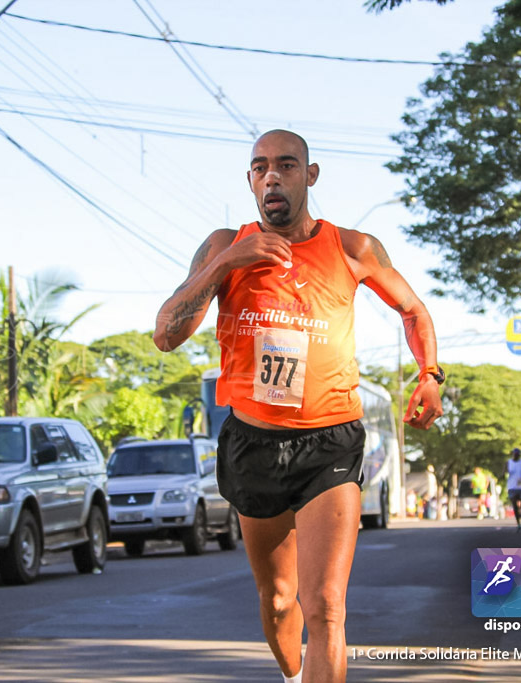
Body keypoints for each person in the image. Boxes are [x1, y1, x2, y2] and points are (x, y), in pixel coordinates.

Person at [153, 129, 443, 683]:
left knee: (326, 605)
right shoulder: (223, 245)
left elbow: (413, 310)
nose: (272, 177)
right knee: (279, 599)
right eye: (260, 167)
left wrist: (430, 374)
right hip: (251, 442)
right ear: (250, 181)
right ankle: (293, 677)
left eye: (286, 166)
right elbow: (166, 335)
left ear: (310, 176)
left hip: (330, 440)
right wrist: (227, 263)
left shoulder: (353, 248)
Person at [503, 448, 521, 530]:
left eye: (518, 454)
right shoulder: (509, 463)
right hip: (512, 486)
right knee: (514, 505)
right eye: (515, 454)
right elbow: (504, 472)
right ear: (513, 454)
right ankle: (518, 523)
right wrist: (504, 475)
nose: (516, 455)